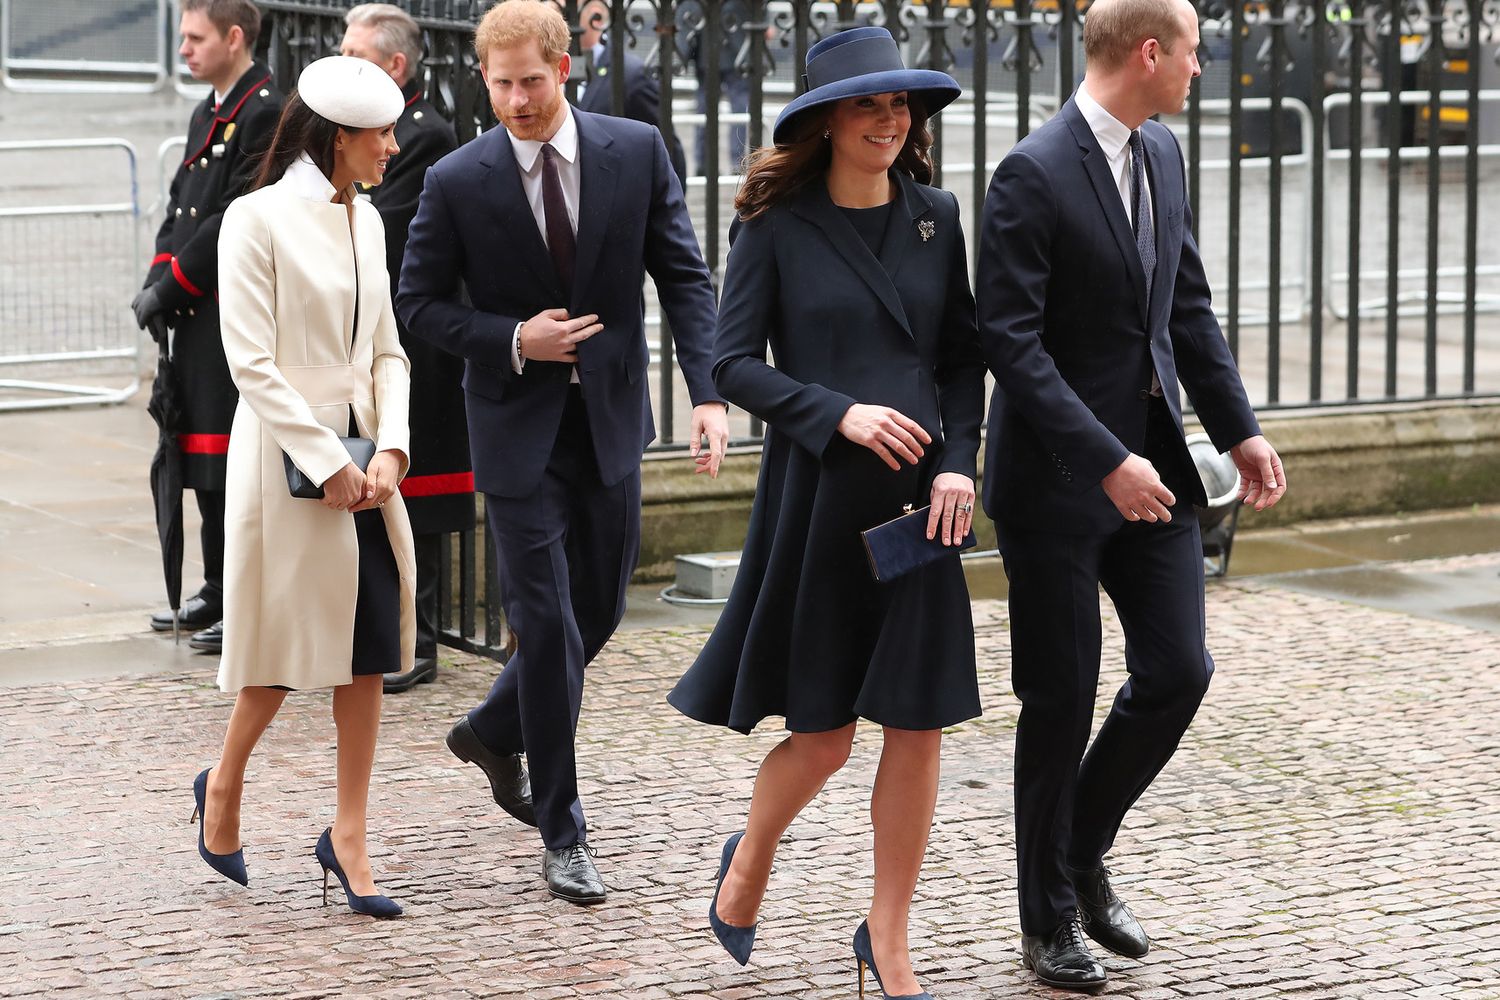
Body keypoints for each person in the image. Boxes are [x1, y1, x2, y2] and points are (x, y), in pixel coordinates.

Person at [976, 0, 1288, 989]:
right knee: (1059, 701)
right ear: (1150, 52)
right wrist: (1106, 455)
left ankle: (1081, 845)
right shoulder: (1030, 172)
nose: (1202, 67)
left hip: (1156, 475)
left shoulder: (1161, 157)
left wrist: (1239, 429)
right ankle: (1046, 918)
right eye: (1194, 50)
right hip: (1060, 484)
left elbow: (1185, 309)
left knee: (1178, 669)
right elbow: (1011, 347)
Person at [668, 27, 984, 1000]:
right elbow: (730, 364)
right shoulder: (774, 225)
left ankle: (887, 934)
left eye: (900, 107)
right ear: (826, 122)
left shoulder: (936, 216)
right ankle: (752, 852)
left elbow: (962, 360)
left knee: (919, 726)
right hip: (821, 503)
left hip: (922, 506)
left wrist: (959, 465)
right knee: (826, 735)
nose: (890, 121)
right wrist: (836, 411)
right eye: (868, 106)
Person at [397, 0, 728, 906]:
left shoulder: (636, 151)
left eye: (530, 82)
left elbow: (685, 276)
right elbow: (418, 304)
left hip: (612, 423)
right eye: (499, 85)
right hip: (514, 432)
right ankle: (563, 828)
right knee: (544, 627)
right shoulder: (459, 179)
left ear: (565, 68)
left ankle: (490, 730)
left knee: (599, 615)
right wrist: (514, 337)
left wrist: (706, 392)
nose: (515, 102)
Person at [190, 55, 414, 919]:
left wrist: (390, 448)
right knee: (283, 654)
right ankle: (223, 787)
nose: (393, 147)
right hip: (287, 460)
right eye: (380, 135)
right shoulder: (254, 219)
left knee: (365, 652)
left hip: (366, 458)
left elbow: (388, 351)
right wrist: (328, 462)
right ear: (337, 138)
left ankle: (348, 836)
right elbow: (249, 362)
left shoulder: (370, 221)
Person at [132, 0, 281, 652]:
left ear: (235, 37)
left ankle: (244, 599)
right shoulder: (207, 110)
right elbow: (180, 205)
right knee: (199, 461)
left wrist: (174, 285)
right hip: (195, 316)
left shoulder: (265, 108)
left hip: (230, 310)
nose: (185, 49)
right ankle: (217, 587)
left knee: (231, 468)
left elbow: (233, 217)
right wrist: (156, 280)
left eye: (195, 38)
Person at [340, 3, 470, 694]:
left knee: (413, 490)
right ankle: (377, 627)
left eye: (356, 54)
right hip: (368, 330)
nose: (340, 64)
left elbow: (379, 223)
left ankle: (418, 637)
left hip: (416, 334)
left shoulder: (424, 133)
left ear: (394, 66)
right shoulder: (359, 130)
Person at [568, 0, 688, 186]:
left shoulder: (631, 75)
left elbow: (667, 151)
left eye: (567, 13)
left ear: (596, 15)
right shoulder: (540, 72)